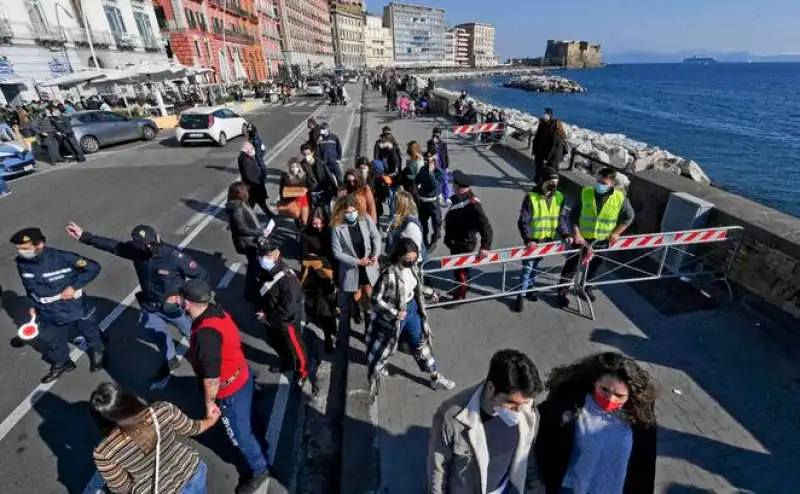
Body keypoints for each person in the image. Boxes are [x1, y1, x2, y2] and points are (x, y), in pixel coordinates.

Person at [67, 222, 208, 382]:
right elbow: (113, 246)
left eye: (151, 243)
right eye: (144, 246)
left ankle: (207, 364)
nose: (148, 248)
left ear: (157, 236)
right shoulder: (136, 252)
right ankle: (170, 360)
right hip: (150, 306)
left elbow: (201, 276)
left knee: (194, 334)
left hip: (174, 308)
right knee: (157, 335)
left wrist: (183, 297)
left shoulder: (173, 257)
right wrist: (84, 236)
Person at [181, 279, 272, 493]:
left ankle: (259, 469)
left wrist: (210, 403)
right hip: (242, 375)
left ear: (188, 303)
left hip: (229, 390)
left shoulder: (205, 333)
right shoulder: (216, 311)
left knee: (240, 435)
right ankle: (261, 438)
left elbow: (212, 377)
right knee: (251, 419)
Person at [531, 352, 658, 494]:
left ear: (631, 396)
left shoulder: (639, 420)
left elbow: (645, 468)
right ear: (595, 382)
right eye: (604, 390)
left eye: (619, 396)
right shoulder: (569, 406)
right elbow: (545, 448)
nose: (610, 399)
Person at [427, 349, 544, 494]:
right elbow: (438, 471)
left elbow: (527, 454)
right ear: (490, 388)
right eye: (512, 404)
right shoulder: (451, 418)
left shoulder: (528, 412)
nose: (519, 411)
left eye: (524, 403)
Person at [10, 227, 106, 383]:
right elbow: (29, 286)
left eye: (25, 249)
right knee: (54, 341)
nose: (21, 252)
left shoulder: (62, 258)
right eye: (19, 249)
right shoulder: (22, 263)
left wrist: (74, 287)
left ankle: (99, 352)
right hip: (47, 311)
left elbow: (93, 268)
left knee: (90, 332)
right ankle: (62, 363)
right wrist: (32, 304)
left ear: (39, 244)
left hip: (74, 307)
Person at [90, 382, 220, 494]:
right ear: (127, 398)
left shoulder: (104, 453)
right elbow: (192, 428)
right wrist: (211, 420)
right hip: (192, 471)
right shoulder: (161, 409)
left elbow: (122, 489)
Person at [366, 238, 455, 396]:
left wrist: (431, 292)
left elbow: (416, 286)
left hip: (412, 310)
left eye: (414, 259)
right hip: (392, 318)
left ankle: (434, 376)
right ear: (399, 256)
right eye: (408, 259)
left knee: (420, 343)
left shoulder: (414, 268)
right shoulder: (389, 274)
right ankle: (376, 373)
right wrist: (394, 312)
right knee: (383, 348)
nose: (412, 262)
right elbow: (375, 300)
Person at [556, 167, 635, 308]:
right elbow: (573, 215)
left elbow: (629, 217)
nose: (599, 185)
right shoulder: (586, 192)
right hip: (582, 238)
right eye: (598, 181)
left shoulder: (620, 198)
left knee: (595, 266)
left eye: (603, 182)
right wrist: (577, 233)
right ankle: (562, 291)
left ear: (612, 184)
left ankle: (586, 287)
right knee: (571, 265)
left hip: (602, 240)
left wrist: (617, 233)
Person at [254, 239, 309, 385]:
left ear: (276, 254)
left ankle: (302, 373)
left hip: (287, 322)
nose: (263, 259)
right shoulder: (264, 271)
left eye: (267, 255)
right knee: (275, 342)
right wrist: (260, 310)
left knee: (296, 348)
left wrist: (268, 318)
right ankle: (287, 362)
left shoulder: (287, 279)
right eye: (261, 255)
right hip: (270, 319)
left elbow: (287, 309)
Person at [515, 167, 565, 312]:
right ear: (543, 181)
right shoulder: (531, 197)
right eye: (551, 182)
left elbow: (560, 218)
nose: (554, 185)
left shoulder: (559, 197)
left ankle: (530, 288)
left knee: (535, 265)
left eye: (556, 182)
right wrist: (528, 239)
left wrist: (565, 234)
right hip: (534, 240)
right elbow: (523, 221)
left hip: (547, 239)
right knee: (527, 267)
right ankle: (520, 295)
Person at [331, 195, 381, 333]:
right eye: (347, 212)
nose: (351, 214)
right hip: (351, 267)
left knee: (369, 294)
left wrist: (375, 255)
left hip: (368, 264)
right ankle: (357, 309)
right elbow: (337, 253)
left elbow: (376, 236)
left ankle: (368, 321)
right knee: (355, 294)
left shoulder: (365, 219)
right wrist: (358, 261)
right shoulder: (337, 227)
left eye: (353, 211)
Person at [444, 170, 493, 301]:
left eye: (453, 184)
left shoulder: (473, 205)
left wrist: (485, 246)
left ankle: (460, 295)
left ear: (457, 186)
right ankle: (462, 286)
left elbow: (486, 226)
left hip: (464, 243)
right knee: (459, 269)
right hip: (456, 241)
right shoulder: (458, 198)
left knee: (461, 270)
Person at [300, 209, 338, 353]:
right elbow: (303, 255)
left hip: (330, 275)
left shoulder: (329, 233)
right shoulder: (305, 235)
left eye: (320, 224)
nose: (318, 227)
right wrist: (319, 259)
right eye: (315, 224)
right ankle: (328, 337)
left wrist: (318, 257)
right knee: (322, 308)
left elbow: (335, 253)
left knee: (330, 306)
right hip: (314, 278)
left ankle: (331, 332)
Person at [225, 182, 269, 304]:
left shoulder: (239, 204)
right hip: (247, 242)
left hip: (247, 240)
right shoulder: (237, 208)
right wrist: (259, 231)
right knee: (253, 266)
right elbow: (242, 228)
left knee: (254, 264)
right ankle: (250, 292)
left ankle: (254, 288)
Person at [415, 150, 444, 251]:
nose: (427, 162)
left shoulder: (438, 172)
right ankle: (424, 241)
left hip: (433, 202)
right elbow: (417, 180)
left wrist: (431, 172)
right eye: (425, 160)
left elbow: (435, 185)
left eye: (429, 160)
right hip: (423, 201)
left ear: (434, 160)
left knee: (437, 224)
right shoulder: (423, 169)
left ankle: (434, 241)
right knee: (422, 223)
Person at [385, 190, 425, 260]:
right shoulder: (398, 219)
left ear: (400, 205)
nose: (392, 204)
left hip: (405, 265)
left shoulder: (411, 226)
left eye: (395, 202)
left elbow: (413, 255)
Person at [238, 141, 272, 219]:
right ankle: (242, 218)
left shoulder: (245, 157)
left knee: (257, 202)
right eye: (251, 148)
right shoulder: (246, 160)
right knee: (254, 202)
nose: (253, 150)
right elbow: (249, 175)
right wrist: (258, 181)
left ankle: (270, 215)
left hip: (253, 186)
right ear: (247, 150)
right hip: (254, 186)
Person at [279, 157, 315, 226]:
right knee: (296, 217)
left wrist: (307, 189)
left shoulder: (304, 175)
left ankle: (304, 232)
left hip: (304, 201)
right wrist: (283, 200)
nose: (294, 169)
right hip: (293, 201)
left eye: (296, 167)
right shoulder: (286, 177)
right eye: (292, 167)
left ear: (299, 167)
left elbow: (311, 185)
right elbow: (281, 190)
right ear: (289, 168)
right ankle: (299, 232)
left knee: (305, 221)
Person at [531, 108, 557, 182]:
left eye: (547, 113)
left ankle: (541, 181)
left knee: (543, 168)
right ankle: (537, 178)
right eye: (545, 113)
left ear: (550, 115)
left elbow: (553, 142)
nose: (545, 114)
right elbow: (537, 135)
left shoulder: (553, 125)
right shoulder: (541, 123)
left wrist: (548, 155)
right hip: (538, 149)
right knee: (537, 165)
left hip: (545, 151)